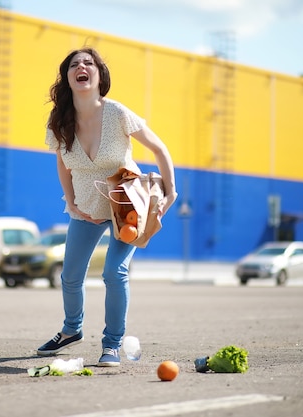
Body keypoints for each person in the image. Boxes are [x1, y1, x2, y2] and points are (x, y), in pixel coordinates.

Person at [37, 47, 178, 367]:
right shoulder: (60, 120)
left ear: (100, 76)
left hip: (124, 206)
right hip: (86, 208)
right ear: (68, 78)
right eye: (74, 64)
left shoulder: (117, 113)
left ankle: (112, 344)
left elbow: (159, 148)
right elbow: (62, 162)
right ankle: (71, 330)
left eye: (88, 63)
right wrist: (71, 200)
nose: (81, 67)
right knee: (70, 276)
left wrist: (171, 190)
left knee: (115, 273)